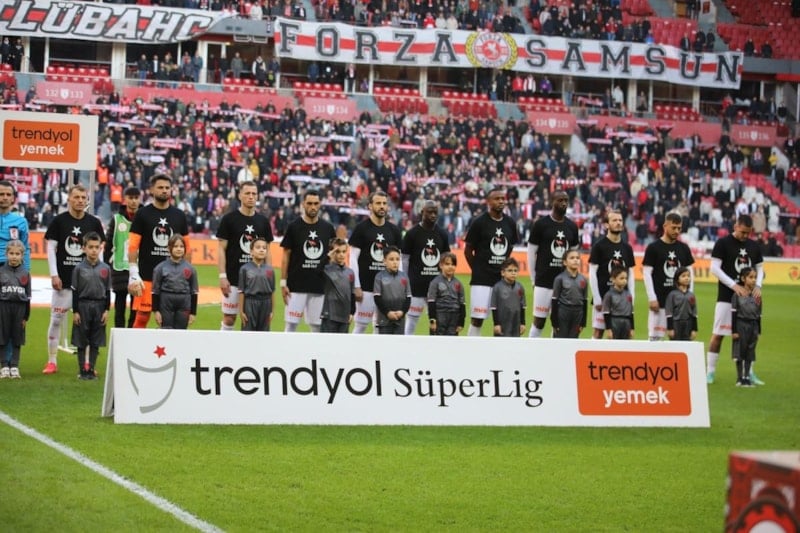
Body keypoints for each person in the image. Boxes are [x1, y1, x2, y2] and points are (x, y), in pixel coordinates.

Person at [43, 184, 104, 375]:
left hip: (87, 283)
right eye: (76, 197)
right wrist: (54, 274)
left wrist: (100, 274)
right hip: (64, 280)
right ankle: (52, 361)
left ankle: (87, 364)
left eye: (83, 198)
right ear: (68, 199)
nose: (80, 201)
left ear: (87, 200)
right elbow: (51, 248)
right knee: (56, 320)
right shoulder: (59, 221)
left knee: (87, 325)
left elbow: (99, 251)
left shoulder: (94, 222)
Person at [706, 214, 764, 384]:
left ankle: (749, 373)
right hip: (726, 297)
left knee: (749, 338)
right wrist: (734, 285)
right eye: (743, 232)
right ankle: (710, 372)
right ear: (736, 226)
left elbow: (760, 268)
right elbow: (714, 268)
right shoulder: (723, 243)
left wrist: (758, 286)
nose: (745, 236)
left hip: (749, 300)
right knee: (718, 335)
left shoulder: (754, 246)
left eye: (748, 233)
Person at [127, 174, 191, 329]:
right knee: (142, 317)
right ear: (151, 190)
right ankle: (134, 345)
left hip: (173, 278)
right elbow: (133, 246)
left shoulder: (179, 215)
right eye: (160, 187)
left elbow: (187, 248)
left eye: (167, 188)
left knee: (170, 320)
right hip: (147, 277)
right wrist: (134, 273)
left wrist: (187, 273)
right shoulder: (142, 214)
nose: (164, 190)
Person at [216, 181, 274, 331]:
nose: (251, 197)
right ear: (240, 195)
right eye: (247, 193)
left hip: (256, 281)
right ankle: (221, 345)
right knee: (229, 318)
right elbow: (221, 249)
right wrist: (222, 276)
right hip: (233, 278)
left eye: (254, 194)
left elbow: (268, 251)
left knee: (256, 319)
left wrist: (269, 275)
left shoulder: (263, 221)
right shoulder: (229, 219)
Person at [463, 188, 519, 336]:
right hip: (481, 280)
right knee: (477, 319)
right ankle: (470, 348)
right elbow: (468, 250)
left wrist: (502, 266)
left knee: (502, 320)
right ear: (488, 202)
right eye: (497, 199)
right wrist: (477, 269)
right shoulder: (479, 222)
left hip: (501, 280)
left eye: (503, 198)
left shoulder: (510, 223)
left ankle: (498, 349)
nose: (501, 201)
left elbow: (510, 247)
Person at [280, 189, 336, 332]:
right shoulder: (293, 227)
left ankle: (314, 350)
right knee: (291, 325)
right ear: (303, 204)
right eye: (309, 203)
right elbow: (285, 255)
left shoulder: (328, 228)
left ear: (320, 204)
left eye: (316, 203)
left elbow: (333, 257)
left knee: (317, 327)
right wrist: (283, 283)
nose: (313, 207)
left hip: (319, 286)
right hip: (296, 286)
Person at [527, 189, 580, 338]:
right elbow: (531, 252)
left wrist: (573, 278)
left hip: (565, 283)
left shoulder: (572, 227)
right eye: (560, 200)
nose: (563, 203)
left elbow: (574, 255)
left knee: (559, 323)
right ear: (552, 202)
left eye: (566, 200)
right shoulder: (540, 225)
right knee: (539, 322)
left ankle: (553, 351)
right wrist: (533, 279)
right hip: (543, 282)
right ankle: (530, 349)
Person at [349, 191, 402, 334]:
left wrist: (399, 285)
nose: (382, 206)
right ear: (370, 206)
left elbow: (398, 260)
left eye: (384, 203)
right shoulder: (361, 228)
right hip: (366, 287)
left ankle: (377, 350)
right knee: (361, 325)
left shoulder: (394, 230)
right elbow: (352, 258)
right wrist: (356, 286)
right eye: (378, 203)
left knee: (381, 326)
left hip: (387, 289)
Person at [642, 212, 695, 341]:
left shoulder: (684, 248)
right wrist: (652, 298)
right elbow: (647, 273)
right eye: (673, 227)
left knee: (680, 341)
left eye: (679, 228)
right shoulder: (653, 248)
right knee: (654, 340)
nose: (677, 231)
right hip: (659, 302)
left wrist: (689, 295)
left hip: (679, 304)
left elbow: (690, 273)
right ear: (665, 226)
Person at [401, 200, 450, 335]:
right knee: (411, 320)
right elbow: (404, 260)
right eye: (429, 212)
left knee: (436, 321)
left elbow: (446, 259)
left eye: (435, 212)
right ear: (422, 212)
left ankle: (433, 346)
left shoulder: (442, 234)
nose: (433, 215)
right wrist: (404, 281)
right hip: (415, 287)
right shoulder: (412, 234)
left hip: (436, 288)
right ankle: (406, 345)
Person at [589, 210, 635, 339]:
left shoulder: (627, 248)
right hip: (603, 297)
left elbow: (630, 274)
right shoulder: (599, 246)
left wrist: (632, 297)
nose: (618, 223)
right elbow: (592, 272)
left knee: (622, 333)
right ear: (606, 225)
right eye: (614, 220)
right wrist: (597, 297)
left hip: (622, 299)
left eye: (620, 220)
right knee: (598, 332)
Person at [71, 232, 111, 380]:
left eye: (96, 247)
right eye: (90, 247)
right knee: (81, 339)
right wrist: (75, 311)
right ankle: (82, 369)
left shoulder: (105, 268)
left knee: (96, 339)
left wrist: (106, 310)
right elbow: (75, 291)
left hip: (99, 306)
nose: (94, 250)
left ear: (100, 248)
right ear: (84, 248)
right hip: (83, 305)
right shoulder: (78, 268)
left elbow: (108, 291)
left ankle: (91, 369)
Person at [0, 181, 30, 370]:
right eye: (1, 194)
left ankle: (9, 362)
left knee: (10, 319)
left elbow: (25, 248)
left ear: (13, 198)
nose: (4, 198)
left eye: (7, 194)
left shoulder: (20, 221)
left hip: (12, 271)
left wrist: (25, 272)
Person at [104, 186, 141, 329]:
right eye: (130, 198)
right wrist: (107, 265)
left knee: (135, 309)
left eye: (136, 198)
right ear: (125, 199)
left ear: (140, 199)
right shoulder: (116, 219)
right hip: (119, 268)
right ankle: (119, 336)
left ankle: (131, 336)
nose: (133, 201)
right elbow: (108, 243)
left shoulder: (144, 218)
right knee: (119, 307)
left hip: (138, 270)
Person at [152, 235, 198, 330]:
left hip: (184, 302)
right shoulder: (160, 268)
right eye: (176, 246)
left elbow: (194, 292)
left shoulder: (191, 269)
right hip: (166, 302)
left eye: (181, 246)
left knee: (181, 331)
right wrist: (156, 311)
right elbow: (155, 291)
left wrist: (193, 313)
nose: (179, 249)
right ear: (169, 248)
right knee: (166, 330)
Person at [0, 240, 30, 379]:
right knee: (2, 336)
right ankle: (4, 366)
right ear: (6, 254)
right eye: (11, 253)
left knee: (17, 337)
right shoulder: (1, 271)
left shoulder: (25, 273)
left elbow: (28, 297)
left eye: (17, 254)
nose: (14, 256)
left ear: (22, 255)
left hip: (20, 308)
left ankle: (14, 366)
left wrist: (26, 317)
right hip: (3, 307)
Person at [731, 267, 761, 387]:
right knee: (740, 351)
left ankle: (747, 377)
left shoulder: (757, 296)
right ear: (743, 279)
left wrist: (759, 331)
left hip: (753, 326)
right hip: (741, 325)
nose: (753, 280)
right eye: (750, 277)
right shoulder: (737, 295)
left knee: (750, 352)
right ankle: (740, 378)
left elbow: (759, 314)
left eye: (755, 277)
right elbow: (733, 313)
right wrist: (734, 330)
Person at [238, 237, 275, 332]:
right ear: (251, 252)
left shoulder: (269, 270)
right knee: (248, 331)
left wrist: (272, 311)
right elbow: (241, 291)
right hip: (250, 303)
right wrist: (241, 311)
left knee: (264, 332)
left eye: (264, 248)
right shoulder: (245, 269)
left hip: (266, 303)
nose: (261, 250)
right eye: (258, 247)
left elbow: (272, 291)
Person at [372, 246, 411, 335]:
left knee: (399, 342)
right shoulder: (379, 277)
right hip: (384, 319)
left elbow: (408, 297)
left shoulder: (404, 276)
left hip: (400, 319)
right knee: (385, 343)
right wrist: (387, 312)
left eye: (397, 259)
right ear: (384, 261)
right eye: (391, 259)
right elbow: (377, 298)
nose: (395, 262)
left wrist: (402, 312)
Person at [320, 238, 355, 334]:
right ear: (332, 252)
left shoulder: (350, 272)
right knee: (327, 342)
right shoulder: (326, 269)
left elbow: (352, 293)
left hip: (345, 316)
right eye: (337, 251)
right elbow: (316, 270)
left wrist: (352, 312)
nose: (341, 254)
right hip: (330, 315)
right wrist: (328, 256)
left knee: (343, 343)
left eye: (344, 251)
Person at [550, 249, 588, 339]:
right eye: (572, 258)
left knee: (574, 339)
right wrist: (554, 321)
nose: (575, 260)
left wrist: (583, 322)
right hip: (563, 311)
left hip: (578, 313)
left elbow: (585, 300)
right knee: (561, 339)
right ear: (565, 262)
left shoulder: (584, 279)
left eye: (577, 258)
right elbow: (554, 300)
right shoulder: (559, 279)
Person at [427, 252, 465, 336]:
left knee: (452, 341)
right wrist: (432, 320)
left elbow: (462, 303)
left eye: (453, 264)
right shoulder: (435, 282)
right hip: (440, 315)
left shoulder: (459, 284)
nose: (450, 267)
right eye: (447, 264)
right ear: (441, 265)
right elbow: (431, 302)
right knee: (438, 340)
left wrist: (461, 322)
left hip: (454, 317)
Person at [491, 257, 526, 337]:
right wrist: (496, 324)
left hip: (516, 323)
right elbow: (494, 308)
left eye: (515, 271)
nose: (513, 273)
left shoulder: (520, 287)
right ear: (503, 273)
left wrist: (523, 323)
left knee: (515, 343)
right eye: (510, 270)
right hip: (502, 324)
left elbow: (523, 306)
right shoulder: (497, 287)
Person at [665, 266, 698, 341]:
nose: (686, 278)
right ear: (677, 279)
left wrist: (694, 329)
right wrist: (670, 328)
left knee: (687, 343)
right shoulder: (672, 295)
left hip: (688, 323)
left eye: (688, 276)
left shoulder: (691, 295)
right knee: (675, 344)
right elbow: (669, 312)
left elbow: (694, 313)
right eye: (683, 276)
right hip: (676, 323)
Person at [601, 267, 634, 340]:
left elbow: (631, 312)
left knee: (625, 344)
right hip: (614, 322)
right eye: (621, 278)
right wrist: (608, 329)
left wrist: (632, 328)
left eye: (626, 278)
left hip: (626, 323)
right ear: (613, 279)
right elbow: (606, 313)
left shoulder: (628, 295)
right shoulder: (609, 295)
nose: (624, 281)